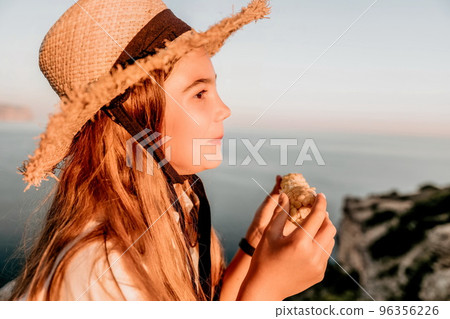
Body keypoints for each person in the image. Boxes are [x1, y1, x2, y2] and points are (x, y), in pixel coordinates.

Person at [6, 0, 336, 301]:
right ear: (135, 115)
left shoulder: (176, 205)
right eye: (199, 93)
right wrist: (266, 292)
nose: (224, 110)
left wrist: (254, 245)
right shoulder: (100, 275)